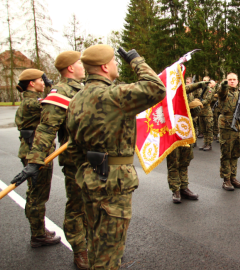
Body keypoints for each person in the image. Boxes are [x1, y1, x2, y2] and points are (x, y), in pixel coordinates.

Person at [66, 44, 167, 269]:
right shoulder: (113, 95)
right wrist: (136, 60)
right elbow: (156, 88)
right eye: (113, 61)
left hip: (90, 177)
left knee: (95, 245)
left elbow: (72, 147)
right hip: (114, 182)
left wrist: (85, 170)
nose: (115, 65)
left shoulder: (76, 99)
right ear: (104, 66)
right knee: (109, 255)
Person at [20, 51, 89, 268]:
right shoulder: (58, 94)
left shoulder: (81, 88)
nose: (83, 65)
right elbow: (47, 127)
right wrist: (34, 160)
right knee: (74, 206)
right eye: (79, 63)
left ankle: (91, 245)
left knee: (90, 206)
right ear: (70, 67)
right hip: (65, 158)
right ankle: (77, 250)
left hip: (90, 159)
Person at [11, 69, 61, 249]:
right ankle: (38, 235)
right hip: (37, 154)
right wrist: (52, 87)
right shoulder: (33, 102)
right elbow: (55, 102)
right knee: (37, 196)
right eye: (41, 80)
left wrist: (49, 86)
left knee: (35, 194)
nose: (43, 82)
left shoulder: (28, 101)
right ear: (32, 83)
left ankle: (39, 230)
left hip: (30, 151)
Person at [166, 88, 206, 203]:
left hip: (185, 132)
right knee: (174, 162)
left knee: (184, 162)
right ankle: (176, 190)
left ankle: (184, 187)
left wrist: (195, 107)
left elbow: (194, 114)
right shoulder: (167, 92)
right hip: (172, 133)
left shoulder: (187, 94)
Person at [217, 73, 240, 191]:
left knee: (235, 153)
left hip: (238, 127)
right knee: (226, 154)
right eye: (230, 80)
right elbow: (221, 91)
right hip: (227, 127)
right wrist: (224, 84)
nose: (232, 81)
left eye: (234, 79)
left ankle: (233, 177)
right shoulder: (224, 93)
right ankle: (226, 180)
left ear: (238, 81)